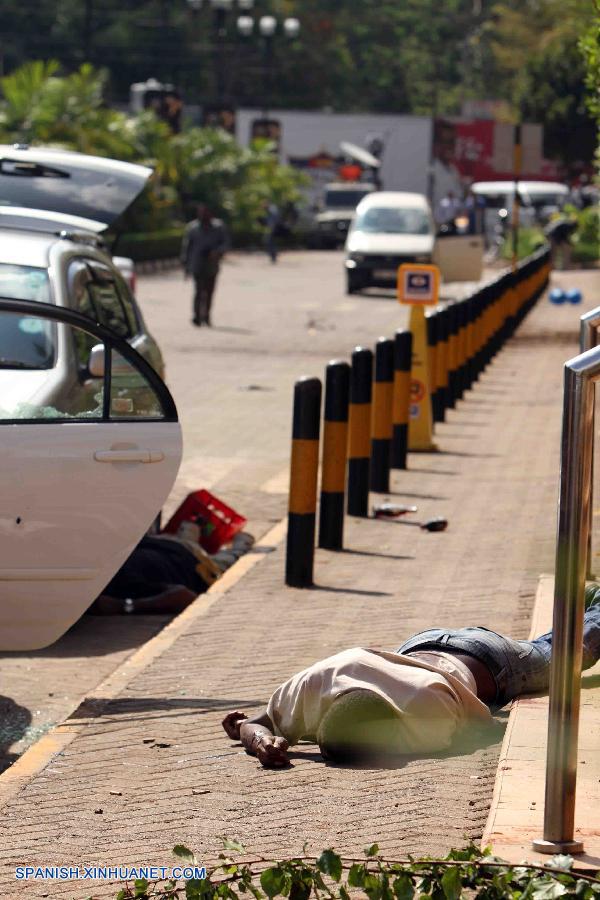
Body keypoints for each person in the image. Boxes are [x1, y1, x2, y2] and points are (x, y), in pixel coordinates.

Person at [222, 587, 600, 768]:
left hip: (491, 661)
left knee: (567, 657)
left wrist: (258, 735)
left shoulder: (424, 708)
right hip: (422, 643)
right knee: (545, 646)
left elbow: (482, 731)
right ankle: (582, 602)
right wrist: (259, 742)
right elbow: (253, 723)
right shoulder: (318, 681)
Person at [181, 204, 229, 327]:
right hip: (197, 264)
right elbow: (187, 248)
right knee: (198, 291)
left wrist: (217, 252)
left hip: (212, 266)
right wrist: (186, 266)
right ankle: (197, 316)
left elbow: (226, 243)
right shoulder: (192, 228)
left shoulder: (218, 227)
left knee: (209, 292)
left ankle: (206, 316)